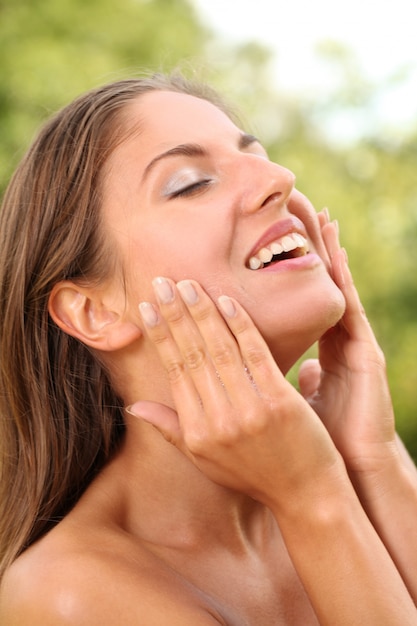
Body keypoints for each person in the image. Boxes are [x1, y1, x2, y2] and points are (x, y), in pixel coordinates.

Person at [0, 72, 416, 626]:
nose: (280, 178)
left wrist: (377, 458)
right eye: (193, 183)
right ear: (93, 312)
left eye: (260, 155)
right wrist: (311, 498)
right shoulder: (71, 595)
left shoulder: (354, 485)